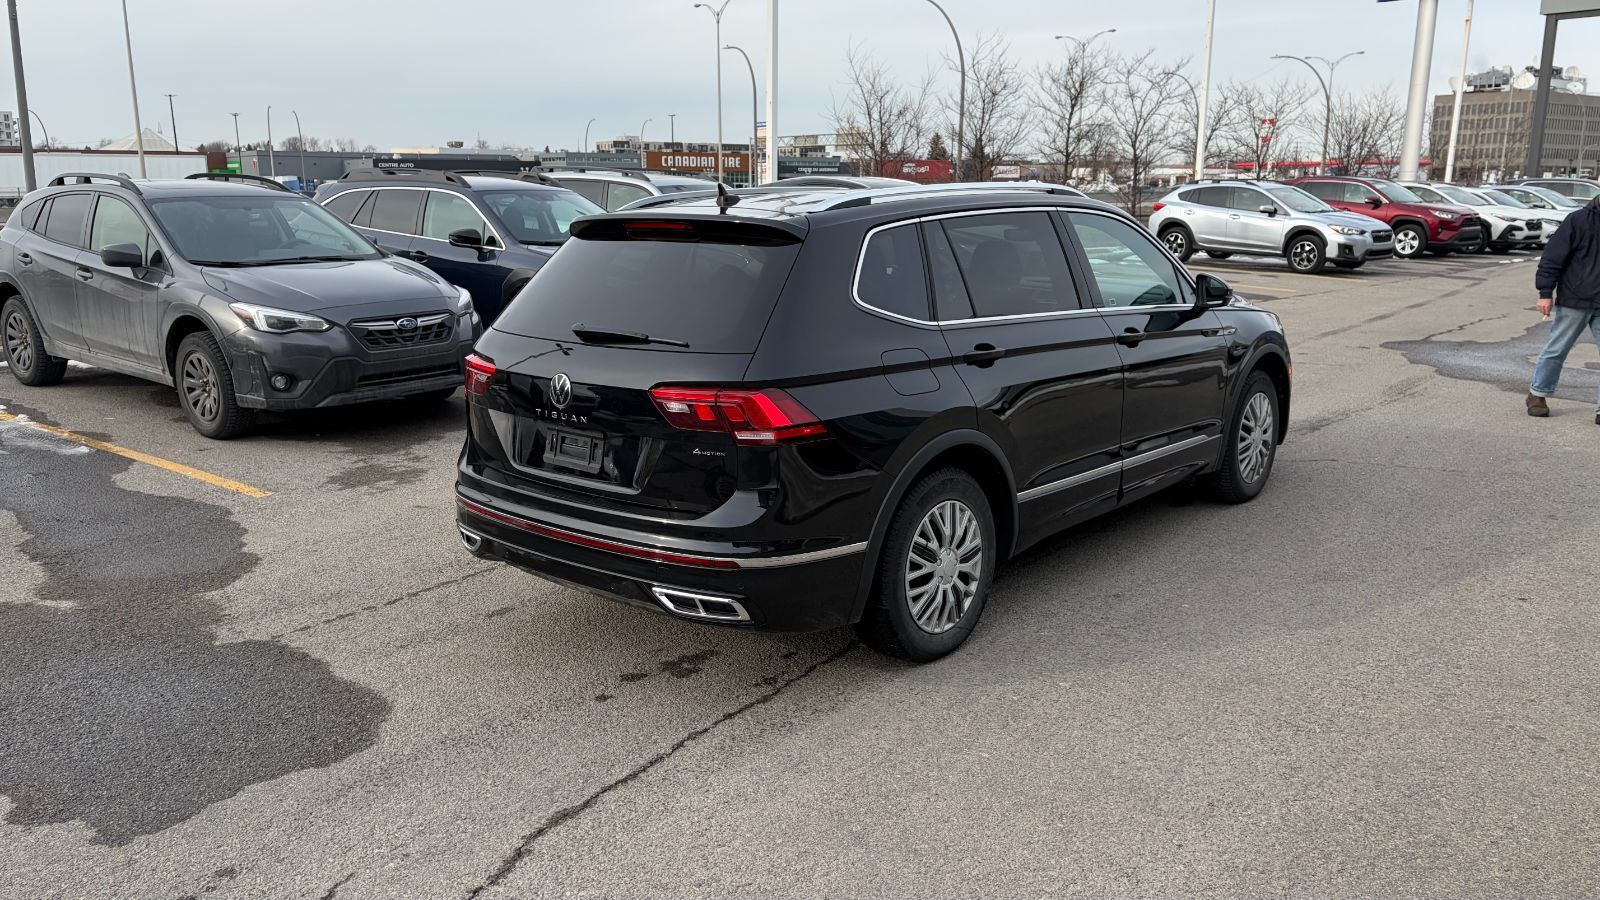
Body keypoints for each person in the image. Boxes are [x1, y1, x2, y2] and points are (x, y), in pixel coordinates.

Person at [1530, 195, 1600, 424]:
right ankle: (1538, 394)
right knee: (1556, 350)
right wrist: (1545, 293)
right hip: (1575, 298)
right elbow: (1552, 258)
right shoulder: (1578, 220)